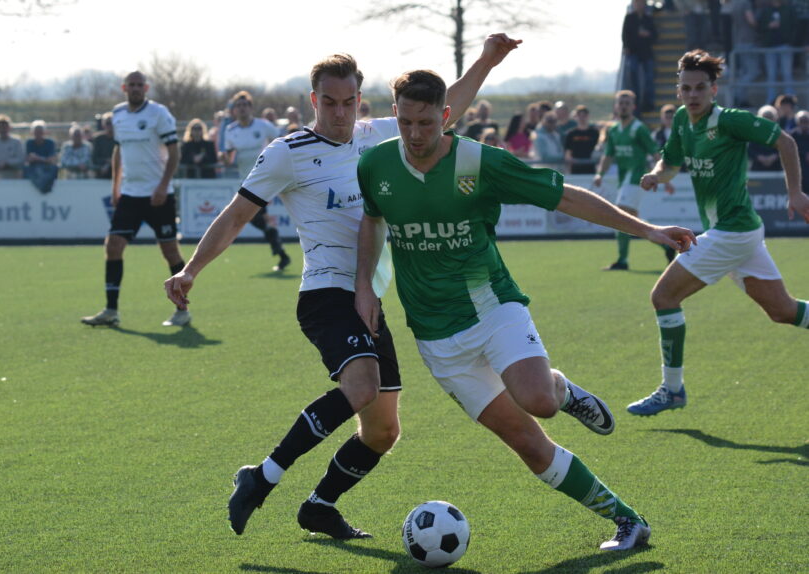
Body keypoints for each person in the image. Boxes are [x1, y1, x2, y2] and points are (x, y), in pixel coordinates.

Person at [163, 34, 526, 541]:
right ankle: (261, 477)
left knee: (382, 430)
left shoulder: (376, 136)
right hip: (326, 293)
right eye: (329, 102)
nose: (339, 112)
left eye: (349, 102)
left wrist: (486, 60)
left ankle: (319, 506)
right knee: (360, 387)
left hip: (369, 297)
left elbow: (446, 110)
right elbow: (236, 214)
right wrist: (191, 269)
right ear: (314, 101)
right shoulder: (286, 153)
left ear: (361, 100)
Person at [354, 69, 695, 552]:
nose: (414, 135)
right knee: (528, 445)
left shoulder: (478, 161)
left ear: (446, 116)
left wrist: (648, 230)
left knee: (537, 400)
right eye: (406, 122)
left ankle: (559, 389)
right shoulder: (376, 165)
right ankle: (628, 521)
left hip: (491, 305)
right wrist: (364, 286)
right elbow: (371, 221)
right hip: (434, 336)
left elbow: (566, 196)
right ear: (394, 114)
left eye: (426, 123)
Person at [628, 50, 809, 416]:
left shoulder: (729, 121)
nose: (692, 95)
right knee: (783, 310)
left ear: (714, 89)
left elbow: (785, 142)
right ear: (678, 91)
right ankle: (673, 390)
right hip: (738, 232)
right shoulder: (681, 120)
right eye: (685, 88)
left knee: (663, 297)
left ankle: (672, 390)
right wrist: (656, 175)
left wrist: (794, 192)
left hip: (732, 232)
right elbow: (671, 162)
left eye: (699, 88)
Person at [81, 71, 188, 328]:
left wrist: (163, 186)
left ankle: (182, 310)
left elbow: (174, 153)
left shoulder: (159, 114)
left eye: (140, 85)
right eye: (132, 85)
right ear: (124, 88)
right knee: (113, 246)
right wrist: (115, 186)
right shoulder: (118, 114)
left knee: (170, 251)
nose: (136, 88)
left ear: (147, 88)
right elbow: (119, 150)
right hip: (130, 194)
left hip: (158, 196)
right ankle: (110, 310)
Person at [594, 90, 675, 270]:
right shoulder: (614, 130)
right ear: (616, 106)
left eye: (627, 103)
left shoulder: (639, 128)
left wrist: (665, 178)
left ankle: (623, 260)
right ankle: (665, 243)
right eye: (620, 103)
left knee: (620, 216)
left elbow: (655, 153)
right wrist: (600, 174)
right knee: (631, 220)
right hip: (624, 180)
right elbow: (608, 156)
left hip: (637, 179)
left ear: (633, 107)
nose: (623, 106)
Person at [221, 90, 292, 271]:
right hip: (246, 180)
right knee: (252, 217)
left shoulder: (263, 125)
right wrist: (223, 158)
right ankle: (279, 248)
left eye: (245, 105)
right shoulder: (231, 130)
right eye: (239, 106)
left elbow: (281, 141)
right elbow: (228, 160)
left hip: (266, 177)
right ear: (235, 110)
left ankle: (278, 246)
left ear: (250, 108)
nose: (242, 109)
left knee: (249, 215)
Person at [757, 0, 797, 104]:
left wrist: (791, 41)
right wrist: (768, 26)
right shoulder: (765, 11)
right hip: (770, 47)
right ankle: (771, 100)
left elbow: (795, 26)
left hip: (785, 45)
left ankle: (790, 100)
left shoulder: (789, 10)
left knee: (787, 73)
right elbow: (759, 26)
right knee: (771, 75)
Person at [622, 0, 658, 113]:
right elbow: (624, 34)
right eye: (636, 3)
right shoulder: (629, 18)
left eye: (641, 2)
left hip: (646, 52)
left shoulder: (648, 18)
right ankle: (635, 104)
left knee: (649, 79)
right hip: (633, 53)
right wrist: (626, 47)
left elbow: (655, 36)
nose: (639, 5)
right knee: (634, 79)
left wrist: (647, 34)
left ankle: (648, 103)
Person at [730, 0, 759, 108]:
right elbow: (751, 20)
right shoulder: (745, 3)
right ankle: (737, 96)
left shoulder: (734, 3)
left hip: (738, 40)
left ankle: (742, 99)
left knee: (744, 72)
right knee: (752, 72)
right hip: (748, 40)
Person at [563, 105, 600, 175]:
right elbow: (567, 154)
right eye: (580, 115)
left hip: (590, 168)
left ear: (588, 116)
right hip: (575, 170)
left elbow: (598, 149)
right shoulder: (571, 134)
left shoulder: (594, 133)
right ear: (576, 117)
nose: (582, 118)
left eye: (584, 115)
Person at [24, 120, 59, 193]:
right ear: (32, 133)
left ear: (44, 132)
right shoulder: (29, 143)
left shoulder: (50, 143)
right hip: (33, 169)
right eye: (36, 132)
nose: (38, 134)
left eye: (40, 131)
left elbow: (52, 160)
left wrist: (37, 158)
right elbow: (28, 159)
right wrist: (44, 159)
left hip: (47, 169)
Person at [748, 105, 783, 170]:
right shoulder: (754, 134)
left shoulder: (780, 134)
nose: (767, 120)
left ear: (775, 119)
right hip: (758, 169)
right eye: (765, 118)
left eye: (770, 117)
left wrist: (774, 156)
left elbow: (783, 149)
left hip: (775, 169)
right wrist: (759, 157)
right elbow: (750, 150)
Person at [92, 112, 116, 180]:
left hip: (117, 175)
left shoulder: (120, 138)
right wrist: (106, 162)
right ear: (103, 125)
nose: (110, 125)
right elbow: (95, 159)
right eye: (107, 123)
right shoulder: (98, 139)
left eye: (112, 123)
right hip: (101, 175)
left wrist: (111, 162)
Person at [792, 110, 809, 194]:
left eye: (806, 122)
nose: (804, 124)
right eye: (802, 121)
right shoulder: (792, 135)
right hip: (798, 171)